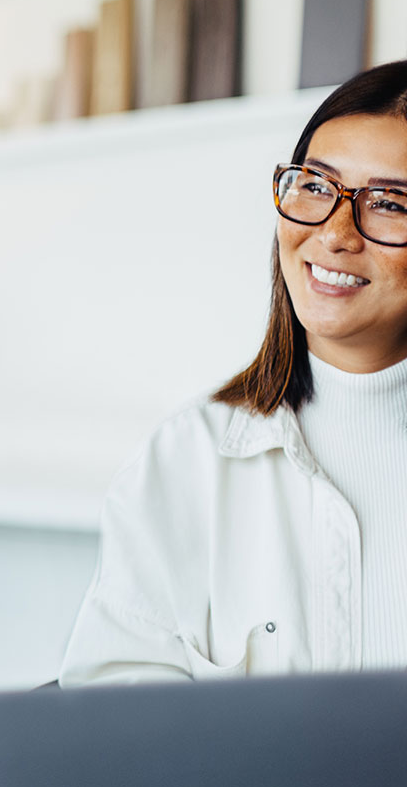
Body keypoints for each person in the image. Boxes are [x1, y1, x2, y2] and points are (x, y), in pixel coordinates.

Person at [62, 61, 407, 684]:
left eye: (388, 203)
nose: (333, 234)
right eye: (316, 187)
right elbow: (117, 725)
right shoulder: (185, 460)